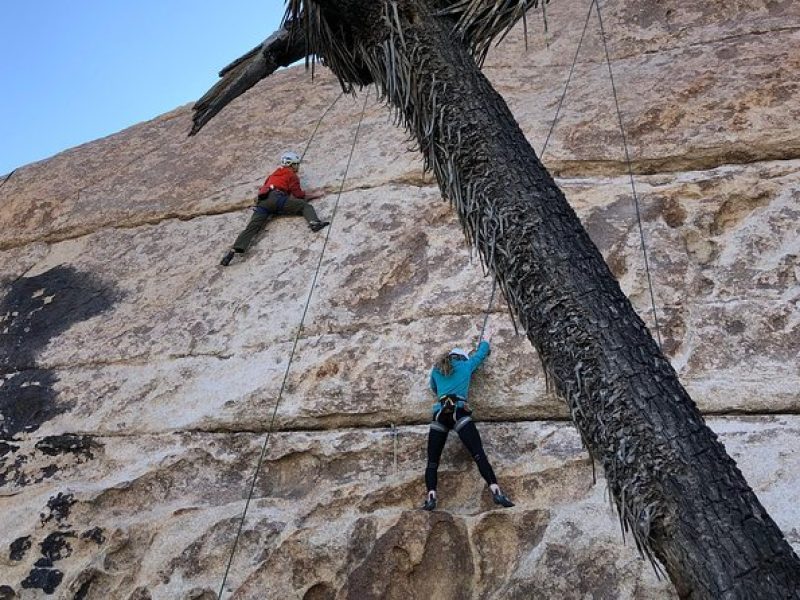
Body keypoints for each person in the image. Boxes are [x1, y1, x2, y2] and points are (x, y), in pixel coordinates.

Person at [422, 326, 514, 511]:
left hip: (440, 414)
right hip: (459, 412)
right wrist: (487, 337)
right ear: (462, 357)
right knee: (478, 454)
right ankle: (496, 490)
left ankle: (431, 495)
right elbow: (481, 353)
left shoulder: (436, 371)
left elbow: (433, 388)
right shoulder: (466, 365)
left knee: (433, 461)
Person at [220, 151, 329, 266]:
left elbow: (265, 188)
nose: (297, 167)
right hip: (277, 199)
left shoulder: (272, 175)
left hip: (263, 202)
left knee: (252, 227)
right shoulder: (291, 175)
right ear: (291, 165)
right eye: (296, 164)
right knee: (305, 206)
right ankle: (314, 223)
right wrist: (315, 195)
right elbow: (298, 195)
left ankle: (232, 252)